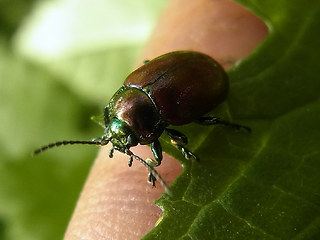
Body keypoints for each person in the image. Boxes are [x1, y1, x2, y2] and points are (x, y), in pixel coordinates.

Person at [64, 0, 268, 239]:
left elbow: (157, 155)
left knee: (208, 121)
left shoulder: (160, 108)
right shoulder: (133, 84)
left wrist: (153, 165)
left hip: (209, 76)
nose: (122, 146)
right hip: (190, 64)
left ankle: (229, 124)